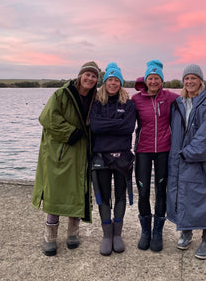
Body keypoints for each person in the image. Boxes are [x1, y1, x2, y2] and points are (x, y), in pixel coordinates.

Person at [32, 61, 101, 256]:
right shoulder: (62, 94)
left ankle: (73, 233)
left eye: (94, 76)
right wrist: (71, 133)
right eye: (87, 74)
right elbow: (47, 118)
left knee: (77, 191)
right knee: (55, 193)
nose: (89, 78)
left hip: (82, 153)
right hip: (61, 150)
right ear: (80, 75)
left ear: (97, 80)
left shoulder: (96, 97)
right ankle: (50, 237)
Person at [166, 64, 206, 260]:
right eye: (187, 78)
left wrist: (189, 153)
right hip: (181, 158)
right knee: (184, 195)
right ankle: (186, 231)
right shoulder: (179, 103)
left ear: (200, 80)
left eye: (194, 78)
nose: (190, 82)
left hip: (204, 161)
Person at [131, 59, 179, 252]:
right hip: (143, 149)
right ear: (145, 79)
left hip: (164, 150)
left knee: (161, 191)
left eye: (157, 78)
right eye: (150, 78)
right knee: (142, 191)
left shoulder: (169, 97)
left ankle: (157, 232)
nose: (153, 81)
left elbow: (190, 96)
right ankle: (145, 232)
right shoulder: (135, 100)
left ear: (161, 80)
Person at [90, 62, 136, 256]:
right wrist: (116, 122)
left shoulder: (129, 103)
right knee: (104, 197)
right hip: (100, 157)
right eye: (110, 79)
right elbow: (95, 126)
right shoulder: (96, 103)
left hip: (122, 157)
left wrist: (108, 125)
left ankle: (118, 234)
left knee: (120, 195)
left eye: (116, 80)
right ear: (105, 81)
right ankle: (107, 235)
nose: (113, 83)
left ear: (121, 83)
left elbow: (128, 128)